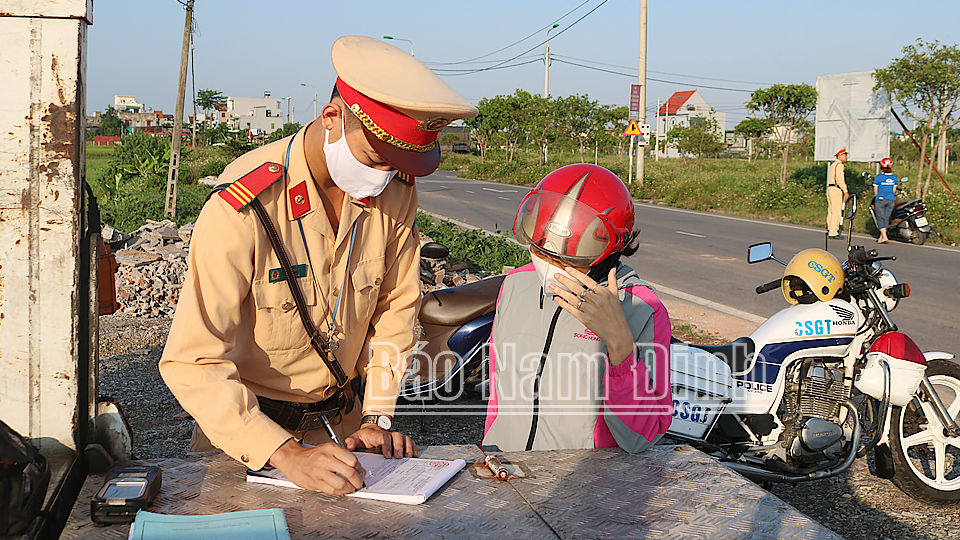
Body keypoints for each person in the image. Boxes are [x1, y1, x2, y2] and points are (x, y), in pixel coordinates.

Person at [159, 36, 478, 495]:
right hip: (251, 439)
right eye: (374, 158)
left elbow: (396, 309)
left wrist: (377, 415)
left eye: (394, 167)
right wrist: (287, 455)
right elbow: (194, 359)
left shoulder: (395, 191)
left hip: (347, 429)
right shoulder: (246, 205)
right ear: (332, 118)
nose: (381, 180)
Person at [482, 164, 672, 453]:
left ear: (608, 251)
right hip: (508, 471)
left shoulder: (643, 309)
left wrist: (620, 344)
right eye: (542, 253)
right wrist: (491, 446)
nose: (550, 268)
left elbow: (642, 438)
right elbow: (499, 388)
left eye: (568, 260)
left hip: (581, 486)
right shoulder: (516, 284)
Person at [873, 158, 899, 244]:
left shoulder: (879, 177)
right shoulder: (894, 177)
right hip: (891, 199)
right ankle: (881, 238)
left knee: (880, 218)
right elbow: (894, 190)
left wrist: (878, 196)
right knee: (886, 218)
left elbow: (875, 189)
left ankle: (885, 236)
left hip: (881, 199)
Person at [826, 146, 850, 238]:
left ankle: (830, 229)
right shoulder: (839, 165)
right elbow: (840, 179)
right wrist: (845, 190)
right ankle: (833, 232)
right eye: (844, 155)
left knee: (831, 211)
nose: (846, 157)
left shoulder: (833, 165)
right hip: (836, 189)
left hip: (830, 188)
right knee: (836, 211)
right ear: (839, 155)